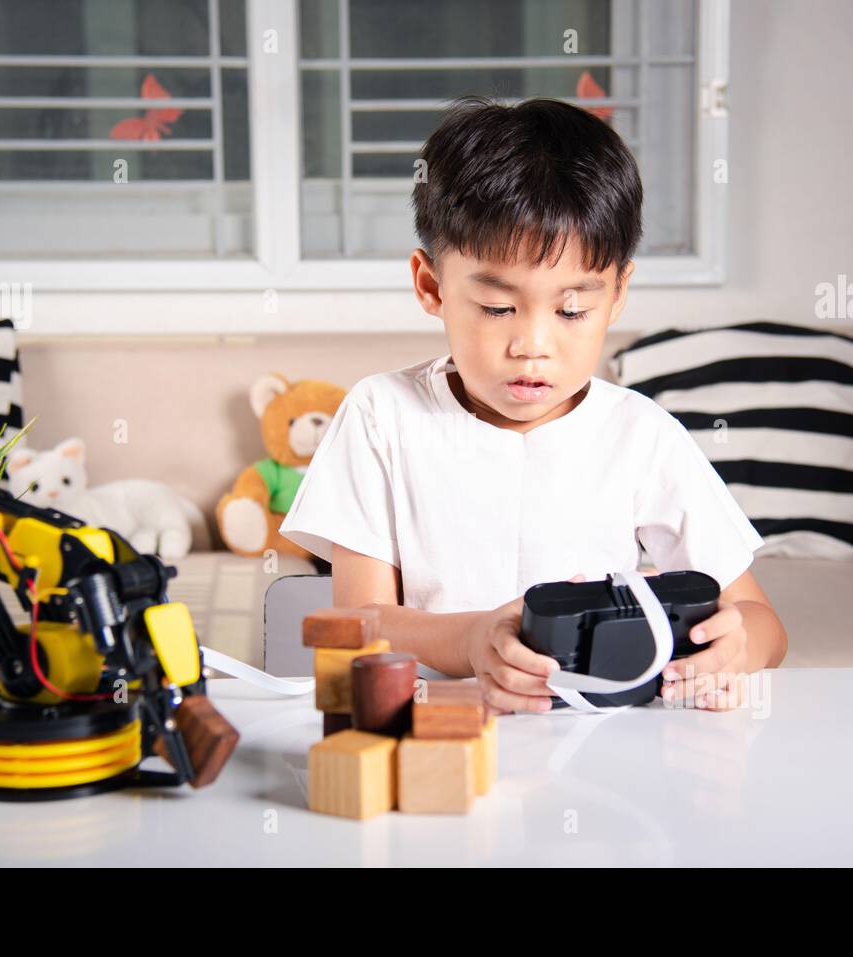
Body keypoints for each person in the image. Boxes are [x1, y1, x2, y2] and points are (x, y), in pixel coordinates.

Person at [281, 96, 787, 714]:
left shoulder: (641, 434)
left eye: (572, 310)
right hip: (439, 732)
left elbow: (765, 624)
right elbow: (356, 623)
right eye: (498, 308)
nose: (533, 346)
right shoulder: (380, 416)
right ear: (431, 286)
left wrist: (736, 646)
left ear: (618, 293)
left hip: (599, 747)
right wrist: (472, 641)